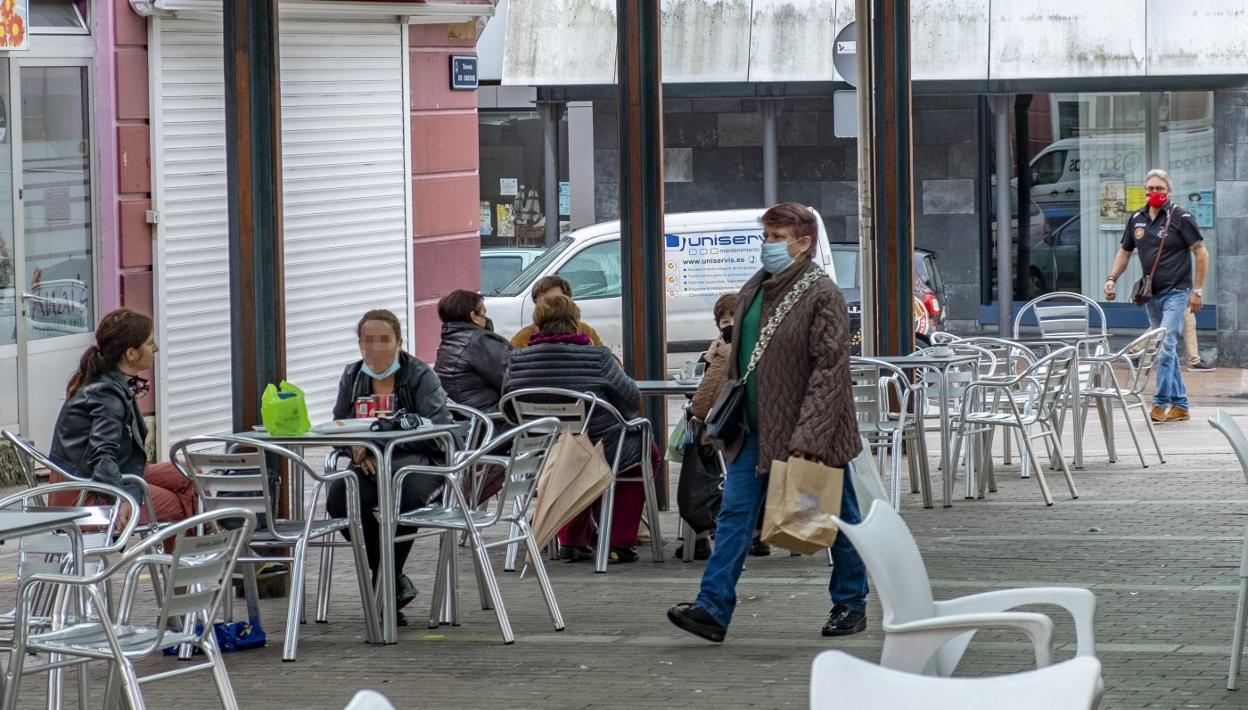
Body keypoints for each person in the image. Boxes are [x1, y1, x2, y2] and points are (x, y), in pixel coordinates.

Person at [667, 202, 868, 643]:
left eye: (777, 238)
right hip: (754, 429)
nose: (768, 246)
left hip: (811, 433)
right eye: (767, 237)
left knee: (838, 515)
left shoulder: (822, 294)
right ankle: (712, 608)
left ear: (804, 243)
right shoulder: (755, 288)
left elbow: (830, 371)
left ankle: (851, 602)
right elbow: (738, 361)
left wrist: (809, 438)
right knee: (736, 514)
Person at [502, 293, 659, 563]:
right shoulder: (598, 357)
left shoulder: (518, 360)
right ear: (576, 322)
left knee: (572, 461)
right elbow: (631, 399)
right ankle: (617, 542)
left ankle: (572, 540)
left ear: (537, 324)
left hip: (544, 450)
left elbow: (507, 406)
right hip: (599, 446)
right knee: (641, 454)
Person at [326, 309, 457, 625]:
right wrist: (354, 446)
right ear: (360, 344)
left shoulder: (420, 376)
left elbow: (441, 431)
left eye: (384, 339)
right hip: (370, 464)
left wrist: (386, 445)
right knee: (341, 499)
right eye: (368, 340)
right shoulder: (352, 376)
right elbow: (340, 425)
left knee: (401, 496)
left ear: (398, 342)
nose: (376, 347)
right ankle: (390, 581)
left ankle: (383, 586)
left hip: (422, 463)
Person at [47, 308, 197, 524]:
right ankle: (182, 555)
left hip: (94, 480)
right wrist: (125, 497)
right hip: (85, 496)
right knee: (180, 505)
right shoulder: (105, 394)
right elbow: (102, 455)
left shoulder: (105, 382)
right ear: (131, 354)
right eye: (149, 343)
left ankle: (185, 552)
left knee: (191, 474)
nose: (155, 348)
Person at [1105, 169, 1209, 423]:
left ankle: (1160, 403)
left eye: (1159, 189)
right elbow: (1125, 252)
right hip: (1151, 295)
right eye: (1150, 189)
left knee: (1163, 346)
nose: (1154, 193)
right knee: (1167, 349)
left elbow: (1201, 253)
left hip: (1177, 292)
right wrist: (1111, 279)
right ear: (1145, 191)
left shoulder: (1181, 217)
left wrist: (1197, 290)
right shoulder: (1137, 219)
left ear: (1168, 191)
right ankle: (1181, 405)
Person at [676, 292, 739, 561]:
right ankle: (758, 532)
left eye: (732, 318)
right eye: (723, 319)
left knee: (698, 438)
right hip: (762, 433)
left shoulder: (723, 352)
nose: (727, 324)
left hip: (731, 434)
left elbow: (701, 405)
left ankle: (701, 533)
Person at [435, 289, 512, 411]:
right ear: (474, 316)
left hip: (467, 416)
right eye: (484, 313)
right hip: (491, 418)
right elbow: (514, 376)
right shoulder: (477, 341)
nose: (486, 318)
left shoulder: (450, 342)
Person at [509, 275, 604, 349]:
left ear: (568, 301)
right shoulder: (523, 337)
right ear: (536, 302)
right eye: (543, 299)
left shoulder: (586, 332)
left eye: (557, 299)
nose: (550, 305)